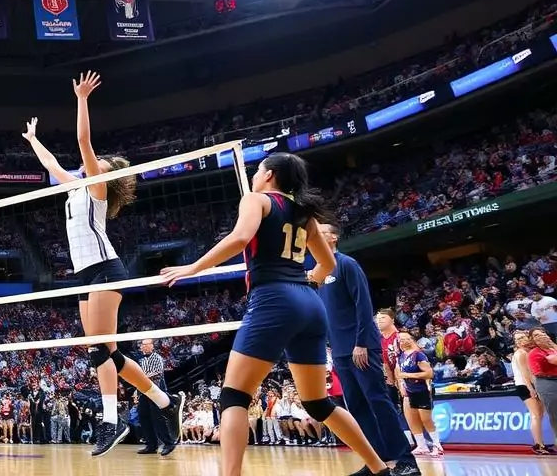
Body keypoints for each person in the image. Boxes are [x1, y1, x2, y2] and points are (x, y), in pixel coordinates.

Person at [161, 153, 393, 476]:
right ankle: (379, 468)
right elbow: (328, 266)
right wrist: (303, 282)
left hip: (273, 298)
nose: (255, 175)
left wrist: (192, 268)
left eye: (258, 170)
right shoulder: (306, 215)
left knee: (233, 396)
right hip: (310, 305)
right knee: (318, 403)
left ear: (269, 175)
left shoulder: (256, 200)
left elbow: (240, 238)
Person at [22, 71, 181, 456]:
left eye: (102, 164)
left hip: (105, 270)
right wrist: (33, 140)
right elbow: (53, 166)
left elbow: (82, 142)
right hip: (82, 275)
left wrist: (81, 99)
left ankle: (112, 421)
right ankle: (165, 401)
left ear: (105, 176)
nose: (96, 164)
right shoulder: (74, 187)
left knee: (98, 350)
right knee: (109, 352)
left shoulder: (95, 189)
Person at [316, 222, 421, 476]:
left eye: (319, 232)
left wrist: (361, 342)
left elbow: (364, 305)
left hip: (360, 347)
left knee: (378, 401)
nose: (313, 236)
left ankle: (407, 461)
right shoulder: (318, 272)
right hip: (340, 352)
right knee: (357, 407)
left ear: (332, 237)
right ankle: (376, 462)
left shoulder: (347, 264)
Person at [394, 332, 442, 458]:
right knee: (412, 419)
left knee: (426, 419)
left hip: (422, 390)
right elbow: (399, 374)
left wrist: (408, 376)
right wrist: (402, 384)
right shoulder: (401, 356)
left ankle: (437, 445)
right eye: (400, 339)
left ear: (411, 340)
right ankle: (421, 446)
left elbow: (429, 373)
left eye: (405, 339)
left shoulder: (419, 355)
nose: (402, 341)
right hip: (409, 391)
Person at [511, 330, 554, 454]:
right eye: (517, 340)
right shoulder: (520, 353)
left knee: (539, 415)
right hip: (525, 386)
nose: (520, 341)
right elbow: (526, 374)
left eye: (522, 338)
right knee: (535, 415)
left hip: (530, 385)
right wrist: (532, 389)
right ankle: (538, 445)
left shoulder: (528, 352)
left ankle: (541, 444)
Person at [134, 338, 175, 456]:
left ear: (152, 346)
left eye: (146, 344)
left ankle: (169, 443)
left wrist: (141, 377)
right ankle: (151, 445)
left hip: (156, 391)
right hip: (144, 392)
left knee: (158, 417)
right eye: (142, 345)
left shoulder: (157, 357)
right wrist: (137, 391)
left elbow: (157, 372)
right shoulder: (141, 361)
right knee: (143, 416)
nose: (143, 347)